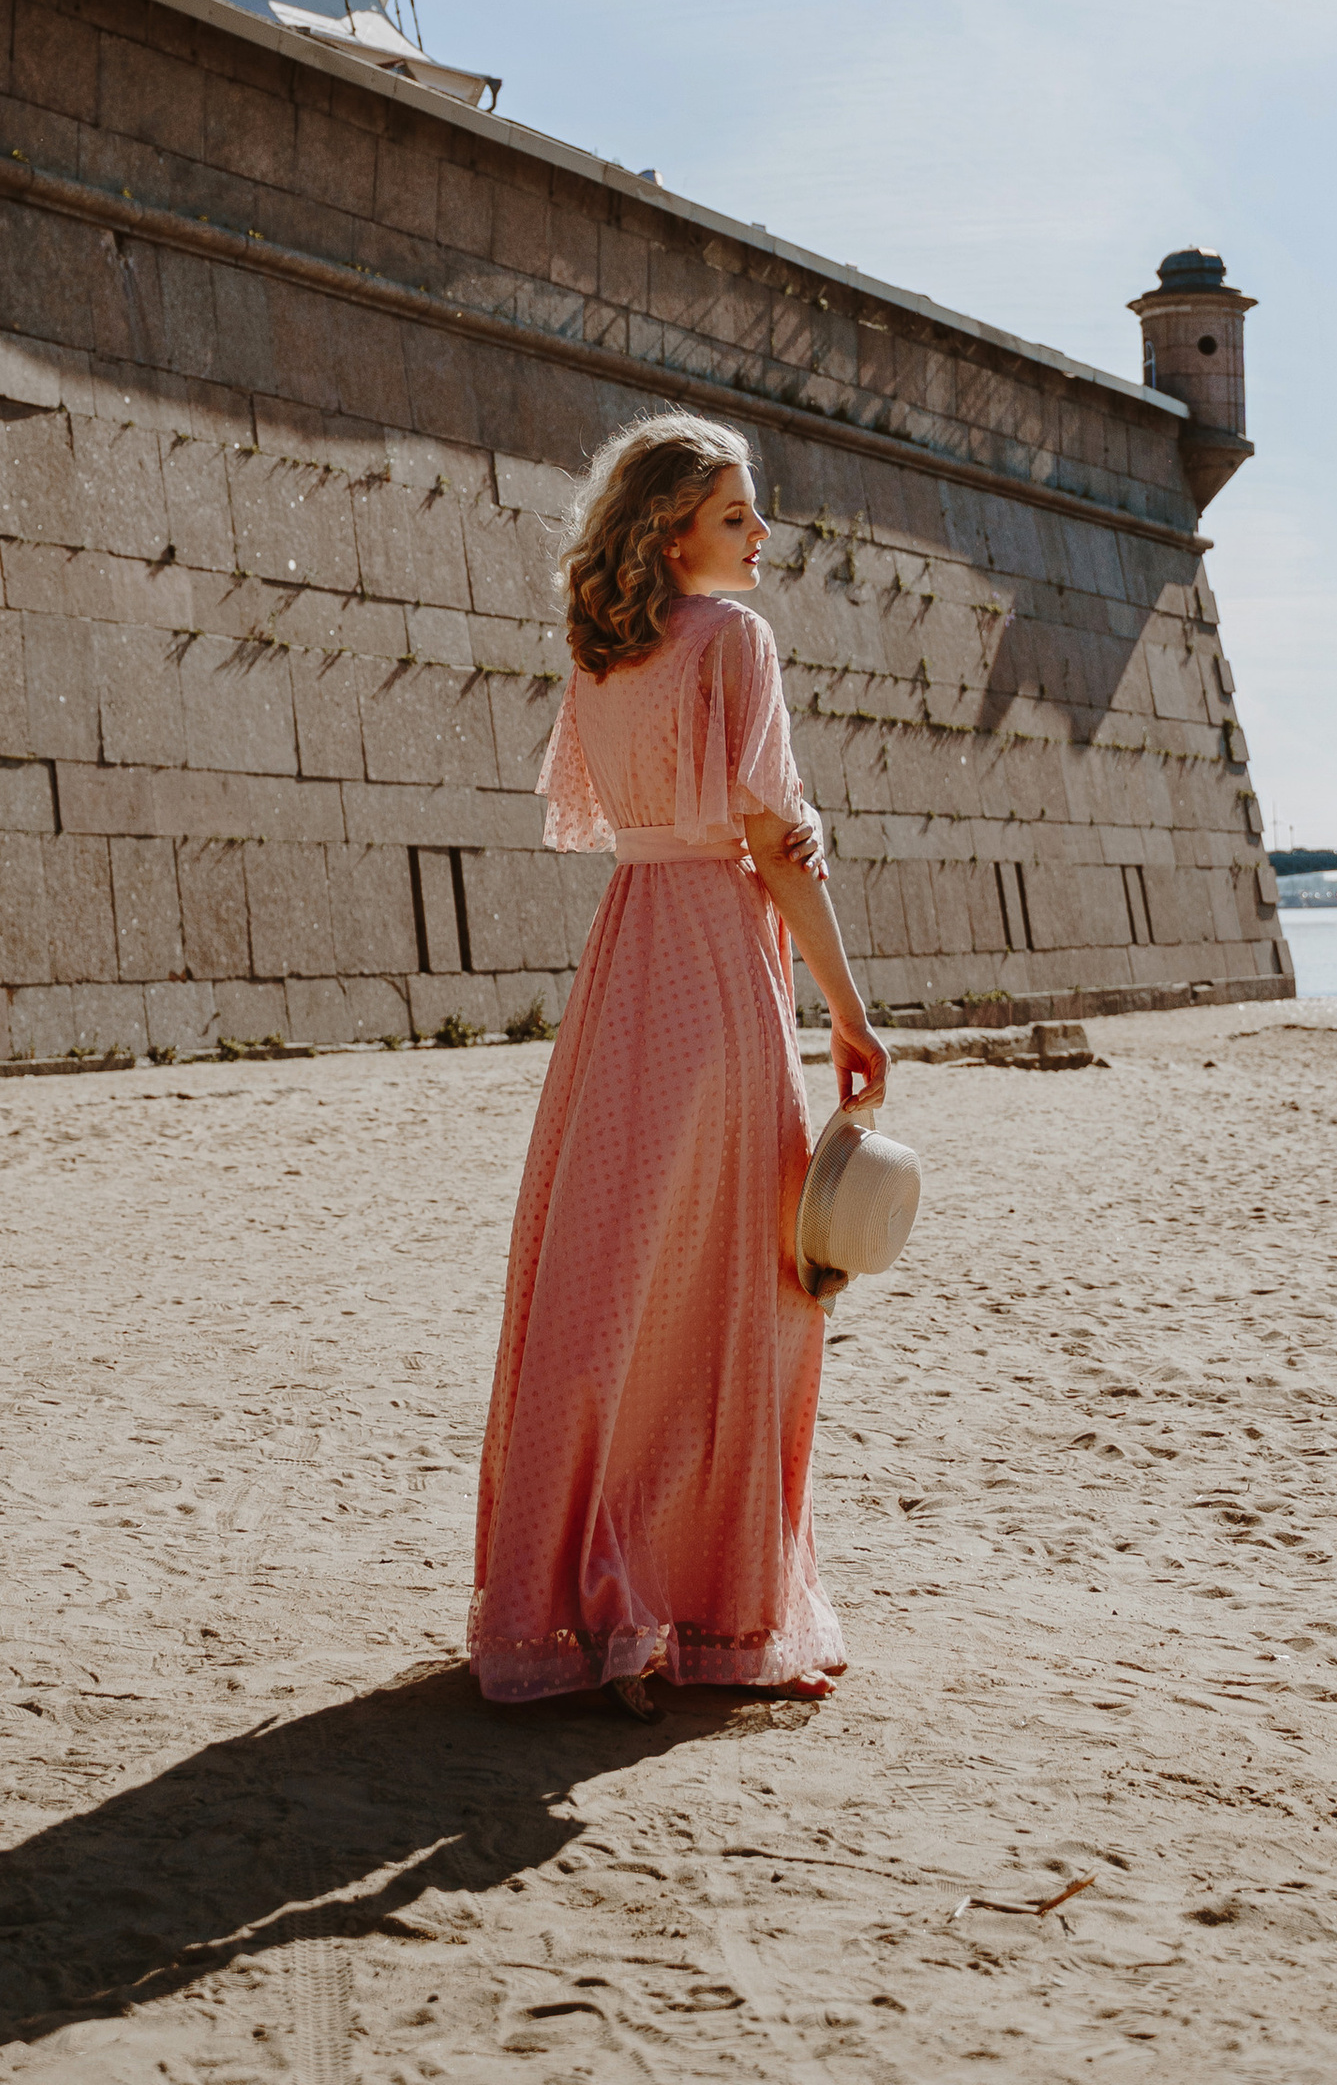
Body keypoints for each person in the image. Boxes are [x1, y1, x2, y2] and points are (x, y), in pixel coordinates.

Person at [467, 409, 890, 1718]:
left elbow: (628, 825)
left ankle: (595, 1607)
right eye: (732, 515)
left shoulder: (603, 662)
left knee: (607, 1283)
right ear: (669, 531)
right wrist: (851, 1011)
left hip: (623, 977)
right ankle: (695, 1608)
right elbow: (768, 846)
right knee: (736, 1295)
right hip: (716, 970)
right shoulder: (732, 642)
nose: (762, 536)